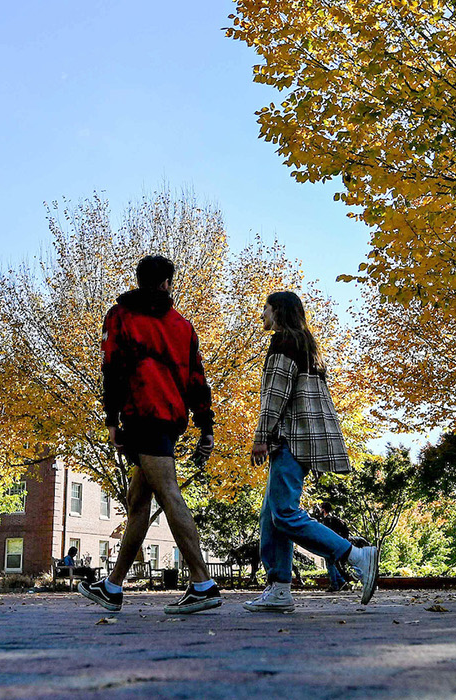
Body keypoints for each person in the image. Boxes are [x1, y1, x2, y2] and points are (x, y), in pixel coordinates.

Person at [78, 255, 223, 615]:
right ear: (166, 284)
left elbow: (111, 368)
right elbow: (197, 380)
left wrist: (111, 420)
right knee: (138, 501)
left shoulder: (121, 316)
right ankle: (112, 587)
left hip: (143, 416)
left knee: (169, 493)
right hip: (171, 418)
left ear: (140, 280)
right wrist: (206, 426)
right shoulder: (183, 326)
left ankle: (203, 583)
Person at [244, 291, 379, 613]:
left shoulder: (282, 342)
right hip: (303, 439)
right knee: (271, 516)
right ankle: (279, 589)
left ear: (277, 311)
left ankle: (354, 555)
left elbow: (275, 394)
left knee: (284, 514)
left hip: (289, 437)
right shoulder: (306, 345)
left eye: (265, 308)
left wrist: (261, 436)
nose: (262, 314)